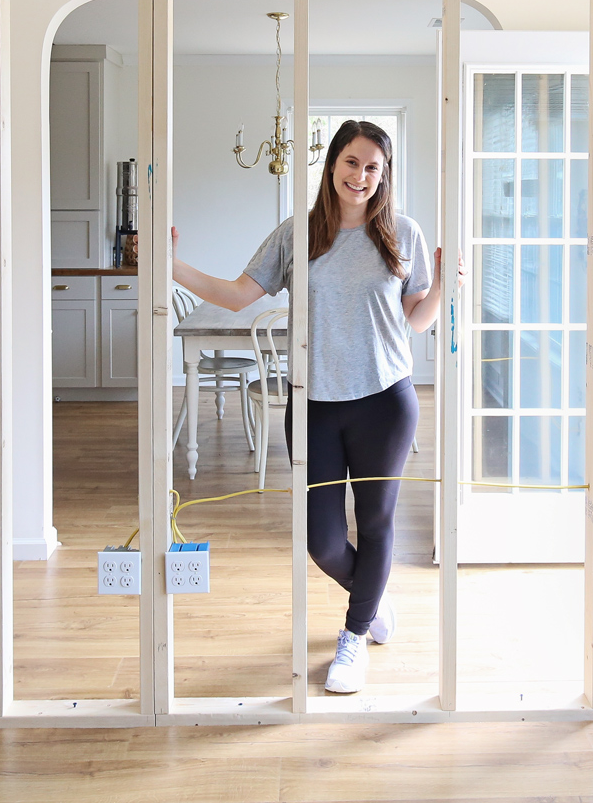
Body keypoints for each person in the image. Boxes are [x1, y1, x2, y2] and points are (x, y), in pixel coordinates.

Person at [172, 119, 459, 694]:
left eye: (373, 167)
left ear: (385, 175)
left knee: (376, 523)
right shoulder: (295, 236)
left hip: (385, 401)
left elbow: (414, 322)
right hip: (314, 405)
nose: (361, 176)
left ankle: (353, 639)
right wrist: (169, 266)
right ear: (332, 164)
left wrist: (446, 289)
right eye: (352, 162)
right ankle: (372, 599)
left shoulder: (402, 232)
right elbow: (235, 295)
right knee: (322, 540)